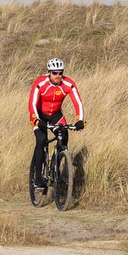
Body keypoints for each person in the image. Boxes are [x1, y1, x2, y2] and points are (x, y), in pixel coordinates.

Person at [28, 58, 85, 189]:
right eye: (54, 73)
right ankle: (37, 177)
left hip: (55, 115)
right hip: (39, 115)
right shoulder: (40, 83)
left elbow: (78, 102)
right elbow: (32, 103)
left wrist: (80, 120)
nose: (58, 76)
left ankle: (55, 168)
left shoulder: (68, 83)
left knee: (63, 138)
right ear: (49, 73)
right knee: (41, 140)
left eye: (60, 72)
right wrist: (36, 119)